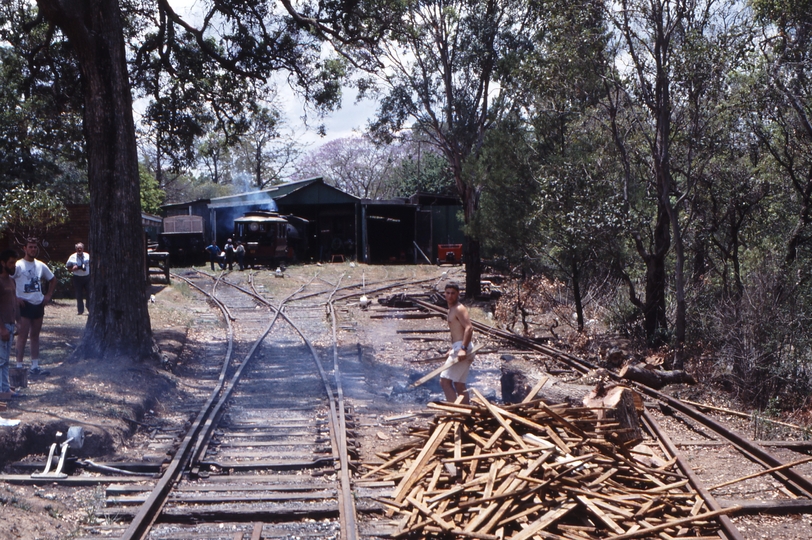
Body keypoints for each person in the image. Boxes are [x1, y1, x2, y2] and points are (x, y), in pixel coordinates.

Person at [14, 239, 55, 377]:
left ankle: (35, 366)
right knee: (22, 335)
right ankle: (19, 366)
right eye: (30, 247)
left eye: (35, 247)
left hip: (38, 303)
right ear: (25, 248)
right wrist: (15, 297)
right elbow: (7, 280)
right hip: (24, 304)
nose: (33, 249)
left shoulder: (40, 265)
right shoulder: (18, 265)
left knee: (35, 335)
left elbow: (52, 279)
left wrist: (48, 295)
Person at [440, 281, 475, 404]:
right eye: (448, 293)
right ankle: (466, 412)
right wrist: (452, 348)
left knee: (444, 381)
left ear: (458, 294)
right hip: (458, 347)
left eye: (453, 293)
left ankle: (454, 412)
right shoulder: (451, 309)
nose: (450, 296)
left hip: (463, 348)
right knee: (459, 384)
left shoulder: (459, 308)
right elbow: (457, 331)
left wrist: (463, 349)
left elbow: (469, 328)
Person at [0, 249, 18, 395]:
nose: (13, 265)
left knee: (6, 360)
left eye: (15, 262)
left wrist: (16, 322)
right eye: (11, 263)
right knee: (0, 360)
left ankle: (5, 388)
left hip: (10, 325)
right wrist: (1, 328)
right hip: (2, 326)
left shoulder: (11, 281)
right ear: (3, 263)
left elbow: (13, 303)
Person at [66, 242, 90, 315]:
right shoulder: (72, 257)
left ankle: (89, 309)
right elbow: (67, 267)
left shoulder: (87, 256)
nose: (79, 249)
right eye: (78, 248)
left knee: (89, 293)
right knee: (79, 294)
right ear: (76, 249)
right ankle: (80, 310)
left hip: (87, 277)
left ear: (83, 248)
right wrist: (73, 268)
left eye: (81, 248)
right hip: (77, 278)